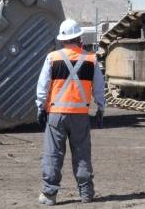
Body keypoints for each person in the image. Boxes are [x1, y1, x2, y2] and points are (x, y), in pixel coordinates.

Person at [36, 19, 105, 206]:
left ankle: (49, 195)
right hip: (80, 115)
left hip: (56, 115)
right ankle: (86, 193)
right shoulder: (91, 59)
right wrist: (100, 108)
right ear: (79, 37)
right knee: (82, 153)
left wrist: (40, 107)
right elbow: (99, 88)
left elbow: (43, 86)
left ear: (62, 39)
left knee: (53, 154)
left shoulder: (52, 58)